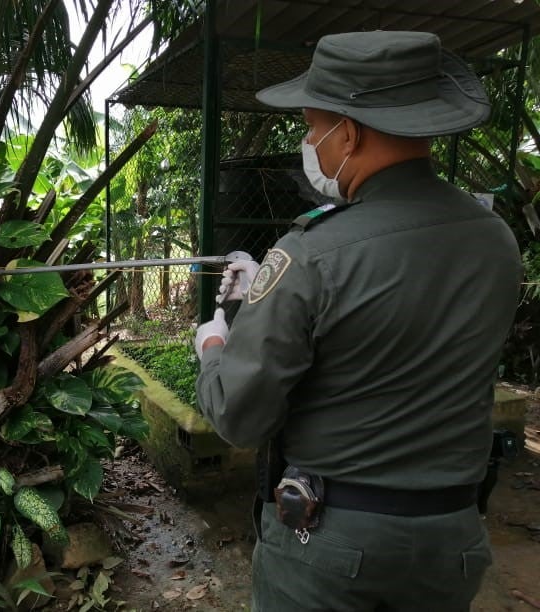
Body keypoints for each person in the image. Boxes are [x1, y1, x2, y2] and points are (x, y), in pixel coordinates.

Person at [194, 31, 523, 611]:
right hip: (452, 540)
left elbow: (240, 415)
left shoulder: (311, 253)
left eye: (310, 126)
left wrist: (218, 343)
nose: (308, 142)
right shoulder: (495, 239)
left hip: (331, 550)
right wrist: (268, 299)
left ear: (348, 133)